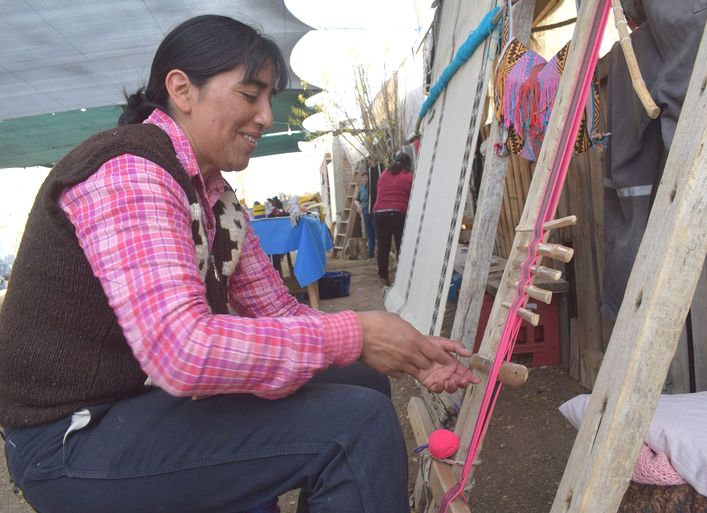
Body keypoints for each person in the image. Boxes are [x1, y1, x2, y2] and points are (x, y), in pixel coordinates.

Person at [0, 15, 478, 513]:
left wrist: (410, 352)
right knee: (353, 425)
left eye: (269, 99)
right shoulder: (129, 173)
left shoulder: (216, 198)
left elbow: (281, 313)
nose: (266, 117)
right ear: (182, 90)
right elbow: (182, 351)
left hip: (143, 404)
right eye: (251, 96)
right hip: (71, 438)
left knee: (365, 384)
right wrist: (357, 334)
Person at [373, 152, 414, 286]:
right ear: (407, 164)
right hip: (398, 214)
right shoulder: (408, 177)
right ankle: (402, 278)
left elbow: (379, 192)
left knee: (383, 247)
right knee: (401, 246)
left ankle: (383, 277)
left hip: (380, 213)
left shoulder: (383, 174)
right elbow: (413, 198)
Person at [354, 171, 376, 260]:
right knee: (370, 234)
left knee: (376, 233)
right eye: (363, 178)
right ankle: (370, 255)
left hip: (374, 213)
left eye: (366, 177)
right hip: (366, 213)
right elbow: (356, 200)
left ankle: (378, 253)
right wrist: (359, 206)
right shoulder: (361, 189)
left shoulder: (373, 188)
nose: (364, 179)